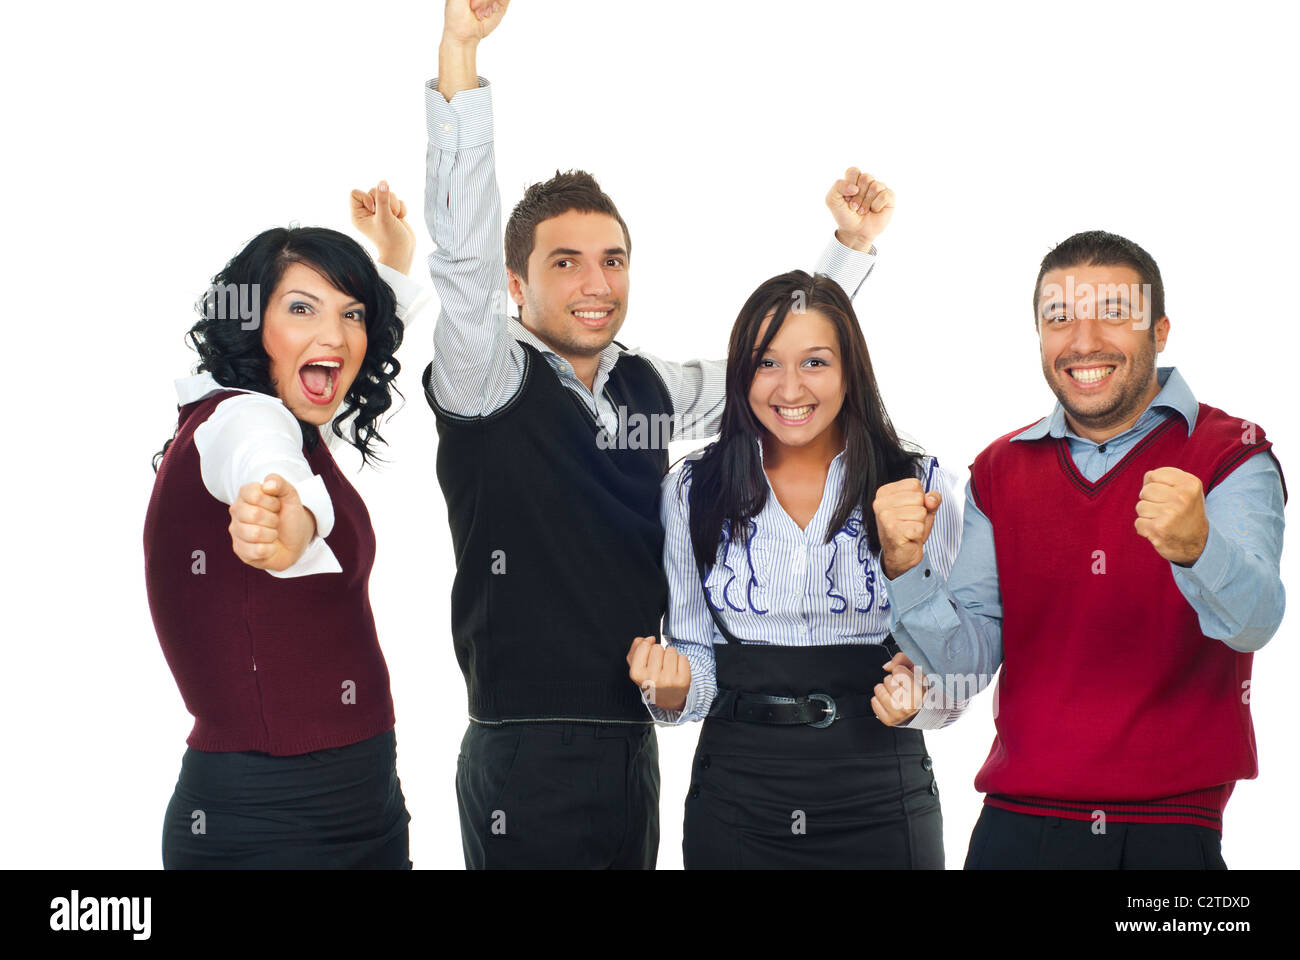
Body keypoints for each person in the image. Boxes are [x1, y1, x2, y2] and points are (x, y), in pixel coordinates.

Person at [425, 0, 886, 869]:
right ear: (516, 288)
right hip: (524, 747)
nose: (596, 282)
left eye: (613, 260)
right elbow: (458, 256)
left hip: (633, 740)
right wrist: (460, 58)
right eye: (565, 263)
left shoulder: (644, 387)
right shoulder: (487, 377)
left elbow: (769, 371)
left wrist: (846, 252)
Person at [878, 230, 1287, 869]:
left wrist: (1197, 549)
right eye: (1059, 318)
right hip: (1013, 827)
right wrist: (907, 569)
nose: (1084, 341)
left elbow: (1254, 623)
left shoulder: (1232, 451)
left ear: (1160, 331)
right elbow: (969, 659)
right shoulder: (998, 468)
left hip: (1170, 832)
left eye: (1113, 315)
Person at [627, 259, 966, 869]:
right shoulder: (691, 489)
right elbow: (696, 657)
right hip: (738, 795)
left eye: (815, 361)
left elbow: (955, 667)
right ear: (741, 373)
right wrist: (672, 692)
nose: (789, 389)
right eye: (766, 363)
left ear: (850, 371)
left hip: (882, 796)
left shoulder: (920, 484)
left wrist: (923, 698)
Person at [144, 182, 428, 868]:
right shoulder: (247, 419)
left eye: (351, 314)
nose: (334, 334)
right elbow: (272, 477)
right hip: (267, 815)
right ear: (253, 324)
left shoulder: (280, 408)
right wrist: (292, 526)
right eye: (301, 309)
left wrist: (392, 254)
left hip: (362, 798)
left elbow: (358, 332)